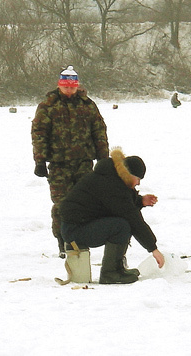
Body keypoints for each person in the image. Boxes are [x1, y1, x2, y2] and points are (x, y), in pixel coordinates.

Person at [31, 65, 109, 258]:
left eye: (72, 86)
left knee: (85, 203)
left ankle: (81, 239)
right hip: (59, 165)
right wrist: (40, 161)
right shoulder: (48, 106)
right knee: (61, 205)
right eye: (65, 86)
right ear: (59, 85)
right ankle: (62, 241)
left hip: (84, 163)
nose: (69, 90)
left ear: (77, 86)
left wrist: (103, 158)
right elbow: (39, 133)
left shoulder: (87, 105)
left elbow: (99, 131)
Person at [60, 147, 165, 284]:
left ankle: (117, 269)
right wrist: (153, 249)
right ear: (128, 174)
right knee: (121, 226)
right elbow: (131, 216)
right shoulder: (112, 184)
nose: (139, 183)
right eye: (138, 179)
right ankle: (110, 273)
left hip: (79, 225)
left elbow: (120, 204)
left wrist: (140, 201)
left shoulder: (112, 176)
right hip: (75, 231)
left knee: (122, 223)